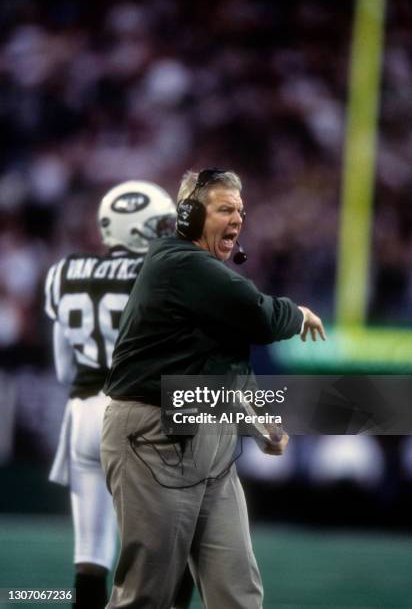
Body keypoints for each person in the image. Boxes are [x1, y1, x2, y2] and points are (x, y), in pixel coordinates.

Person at [101, 168, 326, 609]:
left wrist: (259, 421)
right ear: (188, 216)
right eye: (225, 209)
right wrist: (297, 314)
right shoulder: (180, 262)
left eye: (241, 211)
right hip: (153, 438)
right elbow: (259, 316)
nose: (238, 219)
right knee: (147, 597)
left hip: (208, 443)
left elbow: (221, 365)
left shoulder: (200, 278)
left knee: (238, 595)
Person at [44, 180, 179, 608]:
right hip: (141, 414)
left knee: (90, 555)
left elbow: (64, 367)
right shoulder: (169, 271)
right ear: (140, 229)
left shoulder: (66, 272)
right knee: (168, 550)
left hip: (83, 414)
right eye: (161, 224)